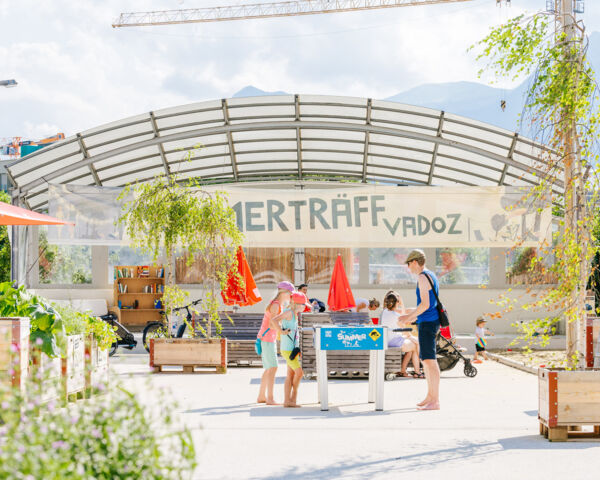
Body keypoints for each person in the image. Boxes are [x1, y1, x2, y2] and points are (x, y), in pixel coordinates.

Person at [399, 249, 442, 410]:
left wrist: (408, 318)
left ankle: (435, 401)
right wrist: (411, 316)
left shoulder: (423, 277)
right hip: (429, 322)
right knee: (426, 360)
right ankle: (430, 397)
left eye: (409, 264)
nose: (408, 267)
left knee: (430, 361)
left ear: (415, 262)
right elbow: (427, 304)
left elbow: (425, 305)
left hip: (428, 323)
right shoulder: (430, 275)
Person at [256, 281, 294, 405]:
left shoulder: (277, 304)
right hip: (267, 339)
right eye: (290, 294)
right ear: (284, 292)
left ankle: (262, 396)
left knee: (269, 368)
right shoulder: (276, 305)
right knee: (273, 367)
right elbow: (272, 323)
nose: (291, 296)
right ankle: (270, 398)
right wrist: (282, 331)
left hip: (267, 338)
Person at [270, 291, 309, 407]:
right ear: (297, 304)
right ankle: (293, 398)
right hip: (287, 349)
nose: (305, 307)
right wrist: (281, 331)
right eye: (303, 305)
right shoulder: (289, 313)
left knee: (290, 375)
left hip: (292, 349)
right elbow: (274, 320)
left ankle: (288, 401)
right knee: (299, 373)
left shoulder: (294, 314)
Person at [380, 292, 423, 378]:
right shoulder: (396, 315)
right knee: (415, 345)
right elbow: (405, 327)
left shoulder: (384, 312)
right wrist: (410, 337)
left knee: (410, 348)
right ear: (397, 303)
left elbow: (402, 318)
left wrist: (410, 337)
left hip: (387, 339)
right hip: (394, 341)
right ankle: (418, 372)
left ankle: (403, 371)